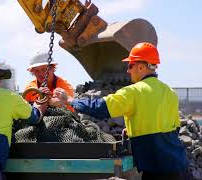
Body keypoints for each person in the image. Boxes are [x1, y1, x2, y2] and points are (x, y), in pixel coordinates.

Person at [54, 42, 191, 180]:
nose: (128, 70)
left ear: (141, 67)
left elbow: (101, 107)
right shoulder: (170, 92)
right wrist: (133, 130)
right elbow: (174, 128)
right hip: (180, 166)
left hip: (158, 170)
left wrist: (71, 100)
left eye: (130, 65)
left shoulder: (134, 92)